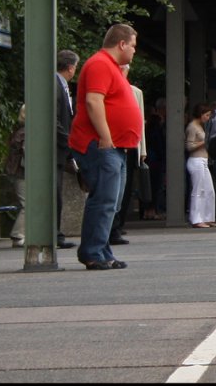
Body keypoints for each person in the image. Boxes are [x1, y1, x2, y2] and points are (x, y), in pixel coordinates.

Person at [68, 24, 143, 271]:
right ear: (121, 44)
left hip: (114, 146)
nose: (134, 51)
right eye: (132, 45)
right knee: (104, 199)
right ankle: (92, 252)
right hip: (102, 144)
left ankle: (102, 250)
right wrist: (105, 136)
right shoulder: (100, 64)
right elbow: (93, 101)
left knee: (112, 201)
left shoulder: (111, 67)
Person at [110, 63, 147, 244]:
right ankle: (113, 226)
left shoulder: (136, 92)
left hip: (132, 143)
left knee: (127, 186)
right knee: (116, 186)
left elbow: (140, 122)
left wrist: (143, 149)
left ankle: (119, 223)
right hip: (114, 142)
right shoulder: (110, 88)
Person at [55, 49, 79, 248]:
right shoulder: (56, 85)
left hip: (60, 148)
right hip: (56, 148)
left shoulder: (61, 86)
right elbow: (55, 120)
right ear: (71, 68)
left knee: (57, 192)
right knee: (54, 192)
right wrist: (69, 141)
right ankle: (54, 235)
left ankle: (56, 234)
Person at [186, 102, 216, 228]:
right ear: (201, 114)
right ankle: (196, 219)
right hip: (196, 160)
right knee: (198, 191)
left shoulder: (200, 126)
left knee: (209, 190)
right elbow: (189, 146)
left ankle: (207, 217)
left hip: (203, 160)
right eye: (207, 115)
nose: (208, 118)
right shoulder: (192, 127)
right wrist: (205, 142)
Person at [5, 105, 26, 248]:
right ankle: (18, 234)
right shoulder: (26, 133)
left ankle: (21, 234)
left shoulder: (19, 131)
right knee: (28, 204)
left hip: (17, 172)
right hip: (22, 173)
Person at [142, 98, 166, 220]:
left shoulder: (146, 129)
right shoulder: (158, 130)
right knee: (156, 186)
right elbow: (160, 146)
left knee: (146, 186)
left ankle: (146, 211)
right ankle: (153, 211)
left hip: (148, 159)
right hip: (156, 160)